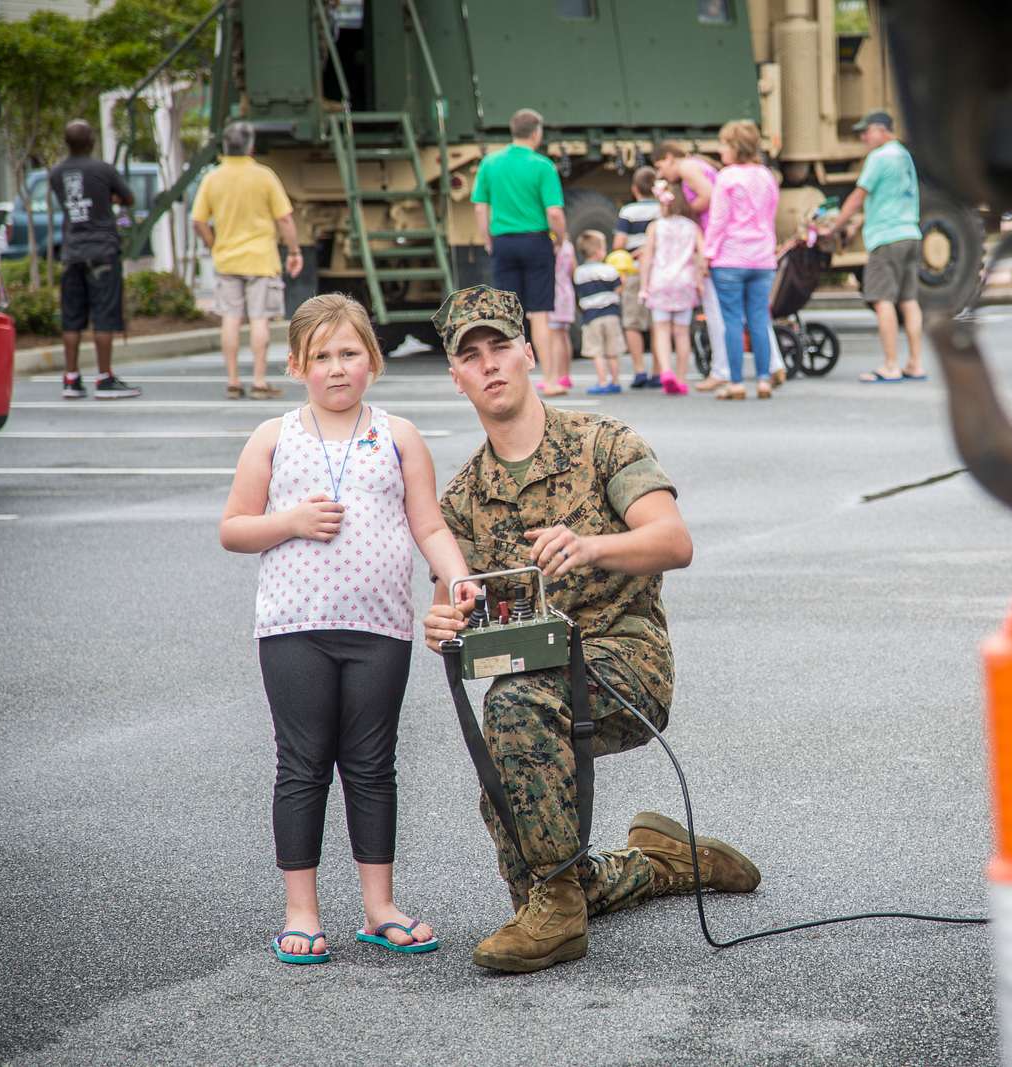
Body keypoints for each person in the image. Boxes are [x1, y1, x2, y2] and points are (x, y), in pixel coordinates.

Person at [423, 285, 761, 973]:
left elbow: (674, 540)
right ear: (456, 378)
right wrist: (441, 622)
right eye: (471, 356)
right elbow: (455, 598)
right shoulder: (461, 499)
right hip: (534, 679)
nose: (489, 365)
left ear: (530, 352)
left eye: (500, 348)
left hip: (626, 659)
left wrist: (591, 545)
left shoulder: (601, 441)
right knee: (515, 796)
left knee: (512, 708)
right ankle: (653, 866)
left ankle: (559, 916)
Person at [218, 292, 475, 965]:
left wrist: (458, 573)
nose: (337, 368)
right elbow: (234, 526)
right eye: (323, 355)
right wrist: (289, 523)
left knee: (371, 765)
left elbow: (429, 524)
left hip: (379, 628)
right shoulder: (274, 436)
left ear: (374, 360)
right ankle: (300, 910)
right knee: (302, 765)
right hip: (293, 626)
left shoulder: (398, 435)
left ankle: (378, 905)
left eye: (350, 353)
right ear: (298, 363)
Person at [654, 142, 785, 392]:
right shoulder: (758, 173)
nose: (661, 174)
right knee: (757, 316)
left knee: (723, 316)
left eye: (660, 166)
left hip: (724, 249)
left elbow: (713, 203)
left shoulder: (689, 168)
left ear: (670, 158)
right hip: (756, 253)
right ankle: (770, 368)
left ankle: (723, 372)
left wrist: (684, 212)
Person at [190, 121, 302, 400]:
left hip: (227, 260)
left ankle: (233, 380)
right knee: (259, 319)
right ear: (251, 146)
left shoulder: (213, 178)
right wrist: (295, 250)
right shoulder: (264, 176)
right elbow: (284, 218)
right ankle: (260, 381)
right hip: (261, 259)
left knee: (230, 318)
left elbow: (198, 220)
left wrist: (214, 245)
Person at [472, 108, 568, 395]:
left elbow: (480, 206)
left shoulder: (490, 163)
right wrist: (560, 238)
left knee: (509, 315)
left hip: (503, 241)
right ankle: (549, 380)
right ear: (536, 132)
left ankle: (513, 380)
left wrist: (487, 238)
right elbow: (554, 212)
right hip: (536, 241)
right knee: (540, 313)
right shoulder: (542, 166)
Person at [48, 119, 141, 400]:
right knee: (103, 316)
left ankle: (72, 379)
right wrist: (110, 198)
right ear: (91, 141)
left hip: (72, 251)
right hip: (102, 250)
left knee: (72, 318)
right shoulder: (103, 169)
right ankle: (104, 378)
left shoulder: (56, 174)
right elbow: (129, 198)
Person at [833, 110, 926, 382]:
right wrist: (859, 223)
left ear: (882, 129)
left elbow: (857, 197)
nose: (863, 137)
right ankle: (915, 363)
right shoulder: (903, 156)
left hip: (886, 238)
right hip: (911, 233)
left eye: (866, 131)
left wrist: (836, 225)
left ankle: (890, 364)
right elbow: (889, 199)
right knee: (909, 301)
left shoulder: (878, 157)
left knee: (882, 300)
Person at [705, 120, 779, 400]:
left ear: (735, 147)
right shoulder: (766, 176)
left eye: (724, 144)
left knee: (732, 322)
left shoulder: (727, 177)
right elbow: (771, 213)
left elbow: (718, 221)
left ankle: (735, 382)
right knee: (760, 319)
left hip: (730, 258)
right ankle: (763, 380)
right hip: (761, 257)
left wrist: (708, 253)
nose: (720, 149)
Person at [640, 179, 706, 395]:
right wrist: (699, 279)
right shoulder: (692, 227)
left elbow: (647, 257)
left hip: (660, 282)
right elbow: (702, 255)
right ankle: (682, 377)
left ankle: (666, 371)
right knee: (681, 332)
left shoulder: (656, 227)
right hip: (684, 283)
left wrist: (643, 285)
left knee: (661, 330)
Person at [613, 166, 659, 388]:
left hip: (635, 271)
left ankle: (640, 369)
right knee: (658, 322)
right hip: (659, 271)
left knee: (632, 321)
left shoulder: (628, 211)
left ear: (634, 189)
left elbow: (619, 244)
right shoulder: (662, 210)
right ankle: (660, 370)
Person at [572, 230, 627, 395]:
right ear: (598, 252)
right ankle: (616, 381)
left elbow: (579, 292)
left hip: (591, 317)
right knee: (612, 351)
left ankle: (602, 382)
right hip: (611, 314)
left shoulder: (579, 273)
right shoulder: (609, 270)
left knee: (597, 352)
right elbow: (618, 288)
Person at [550, 236, 577, 388]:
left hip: (554, 293)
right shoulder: (568, 244)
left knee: (555, 336)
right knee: (564, 335)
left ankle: (556, 375)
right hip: (567, 291)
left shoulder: (551, 245)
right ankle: (565, 375)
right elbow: (573, 269)